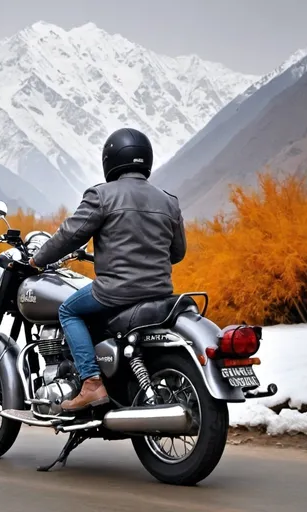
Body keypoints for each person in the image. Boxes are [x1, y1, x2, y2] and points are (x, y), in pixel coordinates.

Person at [30, 127, 187, 412]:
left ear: (111, 159)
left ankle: (91, 383)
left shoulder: (102, 195)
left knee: (68, 310)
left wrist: (37, 259)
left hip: (116, 292)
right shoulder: (168, 201)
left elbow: (70, 235)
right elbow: (177, 253)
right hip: (160, 293)